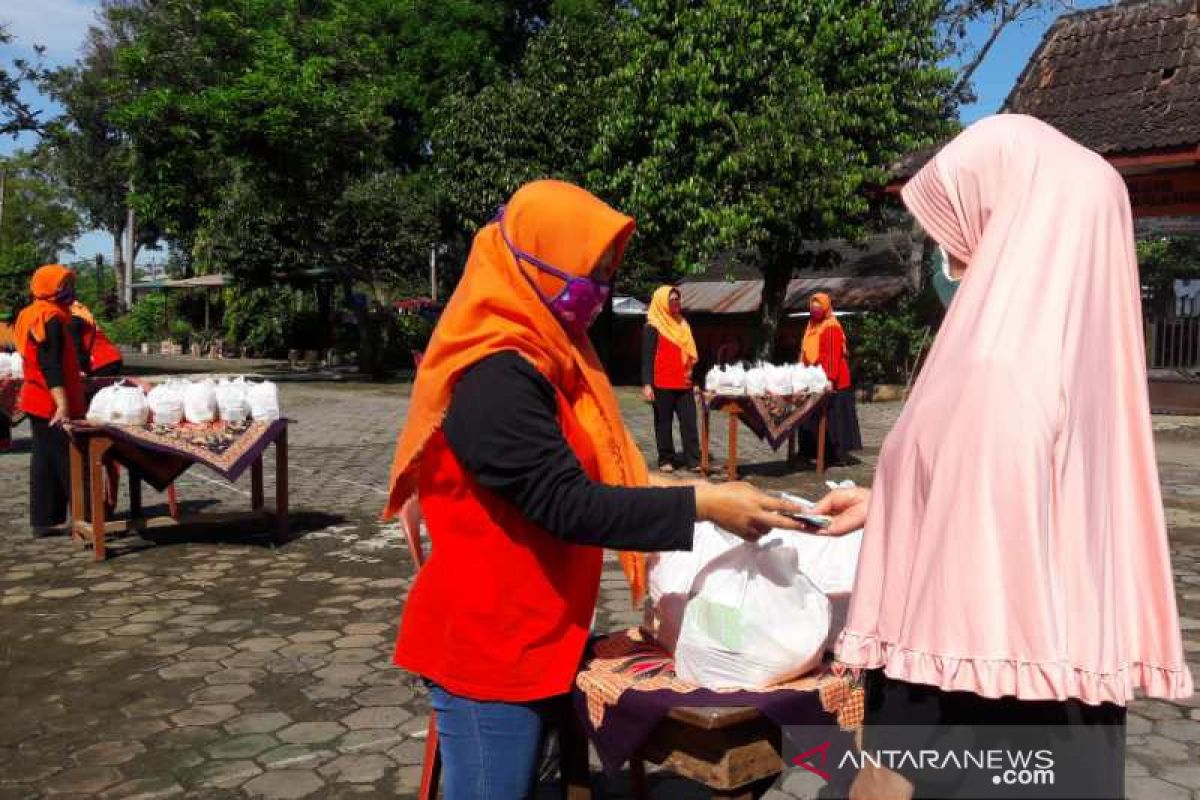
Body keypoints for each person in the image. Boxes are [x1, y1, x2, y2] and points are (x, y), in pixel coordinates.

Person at [809, 116, 1193, 800]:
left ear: (1014, 220)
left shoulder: (995, 368)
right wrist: (893, 502)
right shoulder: (1092, 370)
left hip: (971, 737)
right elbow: (1024, 515)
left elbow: (956, 611)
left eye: (958, 228)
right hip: (1068, 733)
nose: (946, 254)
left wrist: (883, 770)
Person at [383, 180, 806, 800]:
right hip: (487, 647)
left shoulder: (552, 356)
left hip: (539, 631)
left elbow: (593, 474)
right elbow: (568, 502)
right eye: (590, 270)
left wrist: (692, 487)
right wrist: (703, 502)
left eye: (608, 272)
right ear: (531, 260)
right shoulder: (494, 373)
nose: (601, 288)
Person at [14, 265, 87, 538]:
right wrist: (63, 405)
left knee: (45, 462)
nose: (68, 290)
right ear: (47, 287)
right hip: (49, 402)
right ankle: (87, 520)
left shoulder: (34, 314)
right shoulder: (48, 318)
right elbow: (49, 364)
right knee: (70, 459)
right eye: (63, 285)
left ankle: (45, 520)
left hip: (38, 399)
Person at [796, 292, 861, 464]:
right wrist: (799, 370)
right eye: (812, 308)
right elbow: (804, 349)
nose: (815, 311)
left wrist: (829, 380)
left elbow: (832, 355)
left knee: (834, 419)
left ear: (825, 308)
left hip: (833, 380)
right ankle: (812, 450)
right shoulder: (811, 325)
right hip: (813, 377)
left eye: (818, 308)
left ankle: (835, 455)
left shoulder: (831, 326)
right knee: (810, 417)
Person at [641, 285, 700, 472]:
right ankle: (665, 459)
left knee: (689, 421)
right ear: (662, 302)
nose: (676, 302)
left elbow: (689, 355)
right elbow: (647, 357)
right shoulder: (652, 326)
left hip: (684, 382)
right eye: (672, 299)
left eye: (677, 299)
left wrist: (695, 381)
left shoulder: (683, 324)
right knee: (663, 423)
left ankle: (693, 460)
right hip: (662, 383)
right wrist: (647, 384)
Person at [70, 300, 123, 377]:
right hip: (111, 358)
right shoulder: (82, 314)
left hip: (99, 362)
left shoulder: (73, 320)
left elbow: (77, 347)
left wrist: (80, 368)